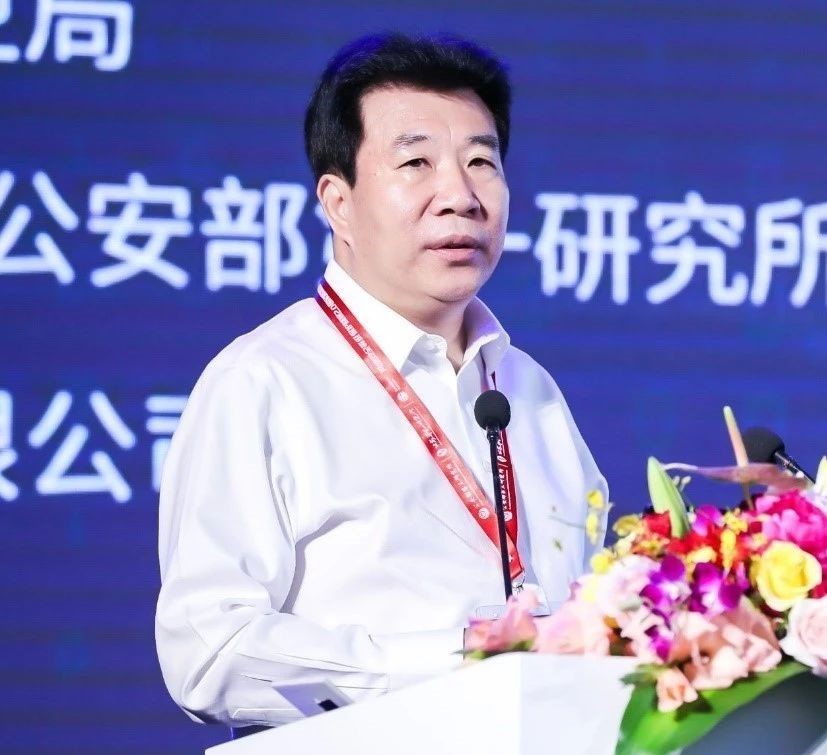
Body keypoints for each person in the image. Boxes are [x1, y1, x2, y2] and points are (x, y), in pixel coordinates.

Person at [155, 32, 608, 730]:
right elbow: (207, 652)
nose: (459, 196)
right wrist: (454, 659)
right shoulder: (265, 381)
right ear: (337, 202)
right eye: (416, 163)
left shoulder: (529, 389)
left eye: (481, 162)